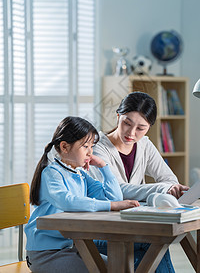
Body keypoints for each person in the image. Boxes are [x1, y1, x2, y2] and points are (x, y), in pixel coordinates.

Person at [24, 116, 140, 273]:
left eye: (92, 146)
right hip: (45, 254)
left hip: (72, 248)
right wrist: (111, 206)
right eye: (85, 146)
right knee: (108, 269)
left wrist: (103, 166)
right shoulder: (51, 173)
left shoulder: (80, 174)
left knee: (122, 267)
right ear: (65, 147)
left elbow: (114, 198)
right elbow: (68, 202)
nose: (90, 152)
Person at [89, 91, 189, 201]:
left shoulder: (144, 144)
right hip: (106, 213)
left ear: (149, 128)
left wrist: (171, 188)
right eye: (127, 123)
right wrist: (163, 189)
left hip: (136, 212)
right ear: (118, 117)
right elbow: (117, 189)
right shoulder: (96, 146)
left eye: (140, 128)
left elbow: (170, 180)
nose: (131, 133)